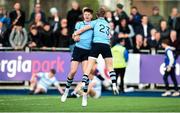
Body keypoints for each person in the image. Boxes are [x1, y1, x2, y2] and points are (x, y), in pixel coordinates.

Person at [73, 8, 119, 107]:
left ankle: (84, 87)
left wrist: (76, 33)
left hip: (96, 44)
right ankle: (114, 85)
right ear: (105, 15)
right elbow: (109, 37)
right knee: (110, 67)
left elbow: (84, 29)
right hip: (106, 45)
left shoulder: (94, 22)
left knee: (89, 67)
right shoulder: (107, 24)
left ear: (97, 16)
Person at [61, 8, 94, 103]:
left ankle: (84, 96)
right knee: (73, 71)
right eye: (85, 14)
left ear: (91, 16)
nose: (87, 16)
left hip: (87, 51)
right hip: (78, 50)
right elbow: (74, 35)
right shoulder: (79, 24)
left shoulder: (94, 25)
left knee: (85, 74)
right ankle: (66, 92)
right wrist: (75, 38)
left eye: (88, 14)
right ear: (83, 15)